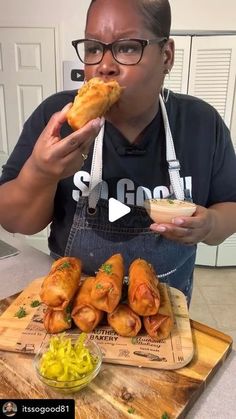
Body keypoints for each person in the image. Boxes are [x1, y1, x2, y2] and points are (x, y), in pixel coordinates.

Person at [0, 0, 236, 304]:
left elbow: (230, 208)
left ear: (167, 55)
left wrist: (211, 224)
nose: (104, 66)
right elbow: (15, 223)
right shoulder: (57, 119)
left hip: (160, 319)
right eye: (93, 48)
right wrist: (40, 174)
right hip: (72, 315)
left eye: (127, 48)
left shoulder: (201, 124)